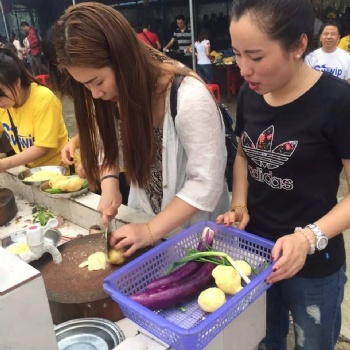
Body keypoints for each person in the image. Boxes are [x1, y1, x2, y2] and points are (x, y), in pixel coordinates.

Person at [216, 0, 349, 349]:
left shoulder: (338, 103)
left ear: (299, 45)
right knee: (263, 340)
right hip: (255, 254)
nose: (243, 69)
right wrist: (240, 205)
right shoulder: (249, 94)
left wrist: (307, 238)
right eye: (236, 54)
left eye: (256, 57)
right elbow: (244, 155)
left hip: (314, 263)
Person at [54, 2, 229, 257]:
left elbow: (205, 183)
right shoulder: (113, 96)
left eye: (98, 81)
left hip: (198, 236)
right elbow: (107, 142)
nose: (95, 93)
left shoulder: (189, 98)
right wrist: (110, 182)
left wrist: (150, 230)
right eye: (85, 86)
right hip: (145, 220)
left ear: (123, 59)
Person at [0, 48, 69, 171]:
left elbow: (42, 147)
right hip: (31, 173)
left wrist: (4, 164)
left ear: (17, 82)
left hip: (60, 171)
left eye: (1, 93)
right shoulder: (4, 105)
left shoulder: (44, 99)